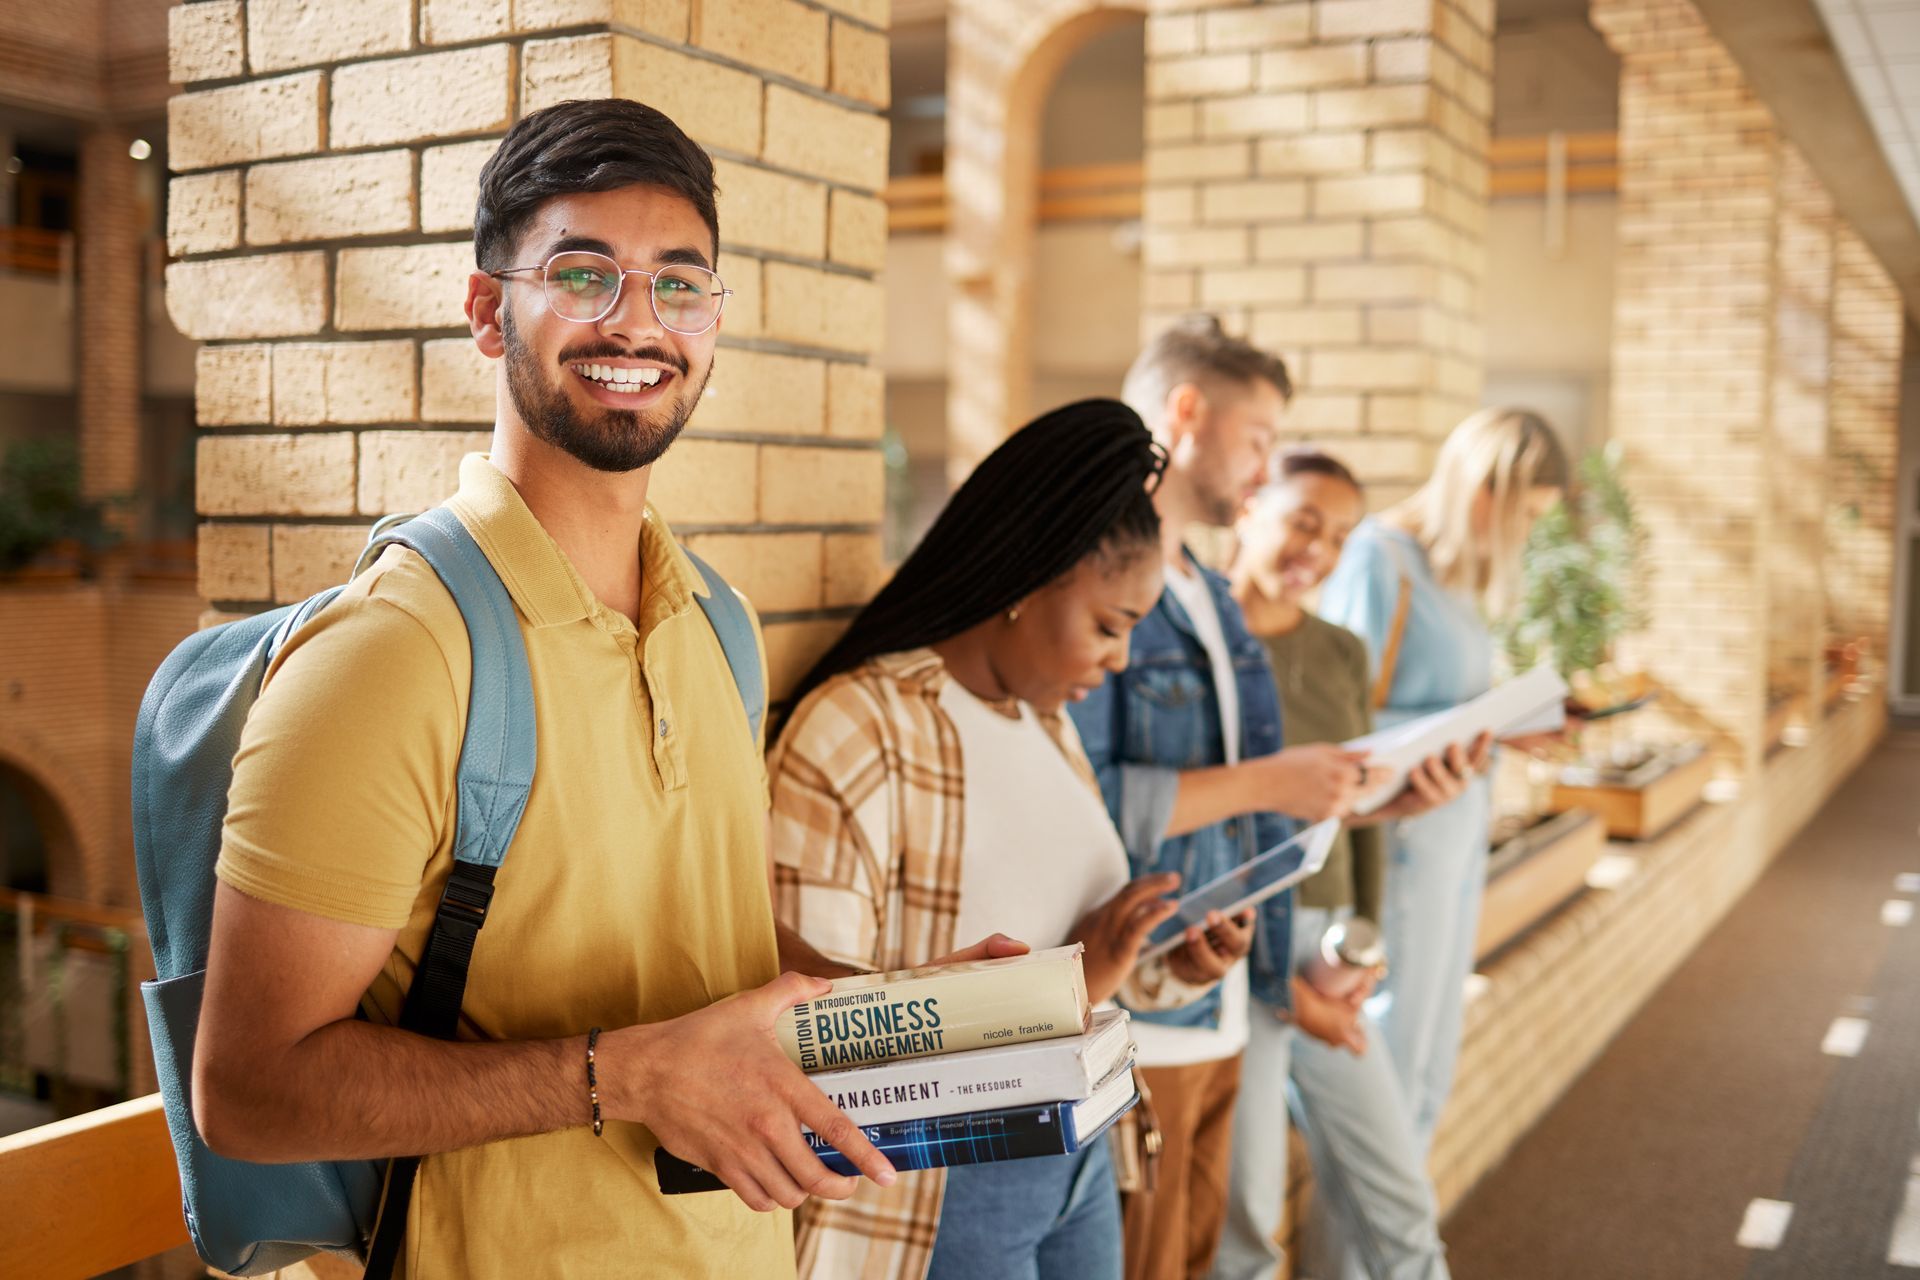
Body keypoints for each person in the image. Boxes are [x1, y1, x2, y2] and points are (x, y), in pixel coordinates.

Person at [188, 98, 1009, 1278]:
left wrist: (901, 1015)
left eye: (681, 284)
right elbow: (250, 1089)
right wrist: (618, 1075)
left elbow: (685, 943)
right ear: (487, 311)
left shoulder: (718, 623)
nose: (638, 321)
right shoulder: (395, 653)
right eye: (584, 275)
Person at [770, 399, 1251, 1280]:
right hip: (944, 1191)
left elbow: (1066, 941)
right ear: (1030, 582)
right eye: (1109, 626)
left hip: (1083, 1156)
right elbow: (813, 1032)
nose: (1118, 662)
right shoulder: (861, 730)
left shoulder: (1047, 725)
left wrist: (1165, 965)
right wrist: (1068, 988)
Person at [1070, 316, 1374, 1280]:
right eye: (1257, 439)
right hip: (1135, 1006)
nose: (1265, 466)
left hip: (1223, 999)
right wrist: (1271, 783)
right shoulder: (1094, 582)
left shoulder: (1206, 591)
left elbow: (1254, 817)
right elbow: (1085, 802)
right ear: (1186, 414)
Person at [1217, 450, 1490, 1280]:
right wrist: (1277, 983)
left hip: (1325, 944)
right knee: (1249, 1227)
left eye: (1338, 536)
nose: (1319, 551)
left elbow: (1351, 807)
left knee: (1401, 1204)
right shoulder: (1195, 641)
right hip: (1234, 948)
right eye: (1304, 521)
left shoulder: (1338, 651)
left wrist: (1365, 937)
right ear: (1248, 506)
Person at [1317, 408, 1569, 1154]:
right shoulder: (1379, 559)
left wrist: (1510, 724)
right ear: (1480, 484)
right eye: (1522, 512)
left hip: (1457, 825)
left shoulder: (1451, 572)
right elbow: (1345, 715)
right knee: (1392, 1050)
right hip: (1402, 831)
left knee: (1428, 1059)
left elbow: (1445, 702)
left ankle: (1392, 1259)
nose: (1522, 532)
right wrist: (1466, 722)